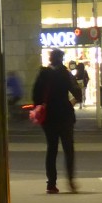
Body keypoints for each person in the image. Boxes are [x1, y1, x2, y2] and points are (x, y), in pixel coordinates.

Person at [32, 48, 83, 194]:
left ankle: (51, 184)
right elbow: (78, 94)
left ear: (50, 59)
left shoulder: (43, 74)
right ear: (61, 59)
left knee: (51, 149)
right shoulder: (65, 74)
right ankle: (71, 181)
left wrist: (41, 107)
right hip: (65, 116)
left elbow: (35, 96)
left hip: (48, 117)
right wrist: (70, 103)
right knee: (68, 149)